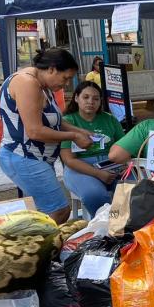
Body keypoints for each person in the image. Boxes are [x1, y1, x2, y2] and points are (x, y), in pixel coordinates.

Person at [0, 48, 94, 225]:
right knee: (59, 211)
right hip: (24, 156)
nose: (65, 84)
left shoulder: (42, 85)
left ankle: (37, 247)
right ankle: (36, 249)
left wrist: (80, 131)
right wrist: (73, 136)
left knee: (47, 212)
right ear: (51, 69)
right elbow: (35, 131)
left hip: (35, 158)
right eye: (65, 78)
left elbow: (53, 121)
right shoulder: (27, 83)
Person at [60, 81, 125, 216]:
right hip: (79, 168)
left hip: (110, 164)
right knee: (95, 194)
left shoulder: (110, 119)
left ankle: (125, 224)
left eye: (96, 99)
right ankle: (104, 228)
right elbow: (68, 159)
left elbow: (123, 147)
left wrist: (123, 165)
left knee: (134, 188)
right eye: (86, 97)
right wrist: (98, 174)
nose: (91, 102)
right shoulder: (67, 122)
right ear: (76, 98)